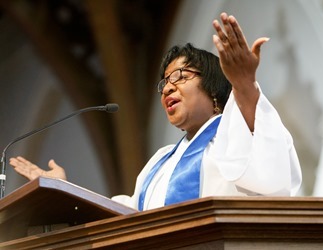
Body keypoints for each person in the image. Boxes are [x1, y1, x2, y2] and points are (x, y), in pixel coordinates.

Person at [10, 12, 302, 211]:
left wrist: (244, 83)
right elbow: (126, 214)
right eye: (164, 82)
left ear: (214, 86)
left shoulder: (236, 134)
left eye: (181, 76)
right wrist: (66, 190)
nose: (167, 88)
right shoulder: (159, 163)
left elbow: (270, 171)